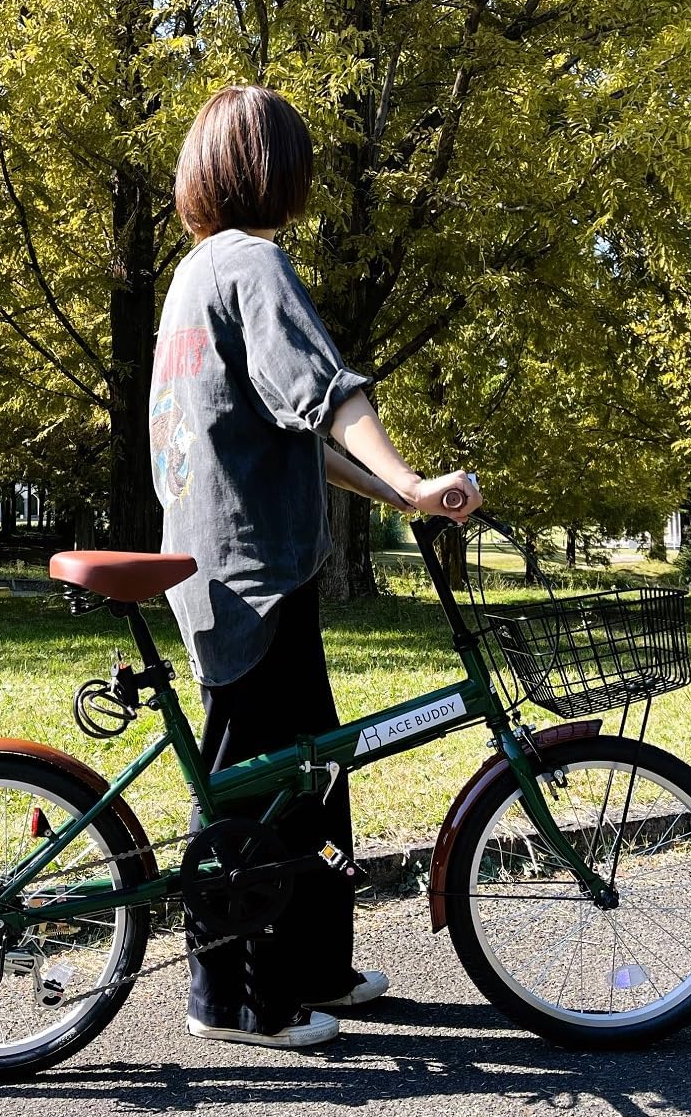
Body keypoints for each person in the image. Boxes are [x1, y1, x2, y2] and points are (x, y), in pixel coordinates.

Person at [148, 83, 482, 1050]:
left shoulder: (193, 275)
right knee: (256, 791)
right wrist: (416, 479)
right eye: (297, 159)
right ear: (272, 170)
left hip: (230, 564)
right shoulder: (254, 264)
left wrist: (396, 493)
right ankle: (238, 1002)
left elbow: (295, 432)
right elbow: (328, 394)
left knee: (312, 771)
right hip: (250, 571)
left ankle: (315, 966)